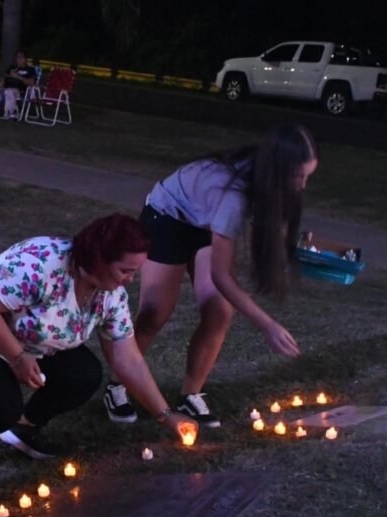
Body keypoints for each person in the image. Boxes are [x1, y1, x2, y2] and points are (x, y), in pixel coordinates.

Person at [0, 213, 197, 481]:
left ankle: (23, 427)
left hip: (28, 340)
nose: (130, 279)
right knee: (1, 404)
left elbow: (128, 359)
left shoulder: (111, 296)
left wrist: (166, 416)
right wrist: (18, 358)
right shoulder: (41, 265)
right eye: (125, 270)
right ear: (98, 259)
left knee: (83, 374)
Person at [103, 123, 319, 428]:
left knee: (219, 311)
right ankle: (117, 384)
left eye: (307, 176)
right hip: (168, 218)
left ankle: (190, 395)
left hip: (204, 223)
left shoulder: (265, 176)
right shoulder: (232, 195)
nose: (302, 186)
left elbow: (271, 228)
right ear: (278, 168)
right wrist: (267, 325)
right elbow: (222, 276)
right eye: (298, 176)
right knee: (154, 313)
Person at [0, 50, 37, 119]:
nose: (19, 59)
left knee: (10, 91)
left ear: (25, 59)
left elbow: (32, 82)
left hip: (21, 90)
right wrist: (0, 85)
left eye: (21, 57)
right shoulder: (12, 68)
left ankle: (13, 112)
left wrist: (18, 77)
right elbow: (4, 77)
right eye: (18, 57)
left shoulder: (30, 69)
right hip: (7, 87)